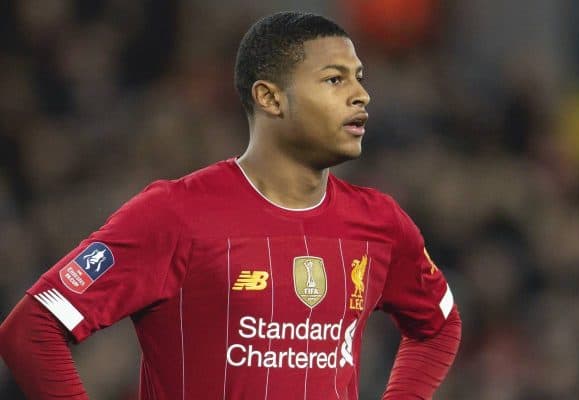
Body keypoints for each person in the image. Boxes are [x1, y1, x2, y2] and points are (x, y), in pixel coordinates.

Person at [0, 11, 461, 399]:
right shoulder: (175, 213)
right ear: (270, 98)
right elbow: (32, 330)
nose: (361, 95)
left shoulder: (379, 221)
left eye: (359, 78)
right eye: (334, 79)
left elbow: (438, 325)